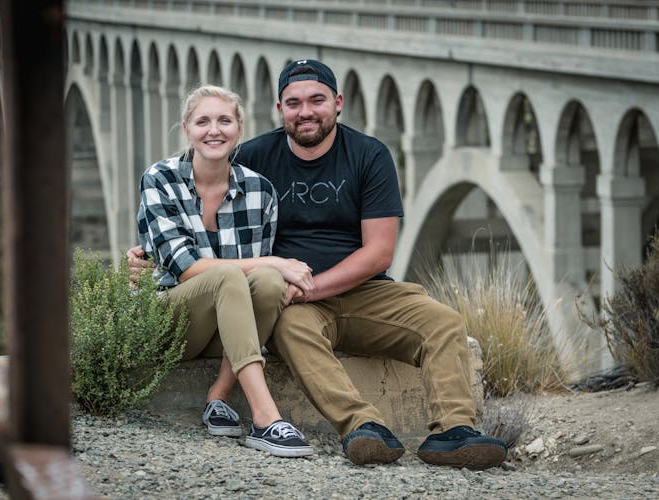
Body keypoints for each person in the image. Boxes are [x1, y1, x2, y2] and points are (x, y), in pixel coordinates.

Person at [130, 61, 507, 469]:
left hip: (362, 290)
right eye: (294, 103)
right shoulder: (254, 158)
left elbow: (379, 252)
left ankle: (454, 432)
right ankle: (363, 428)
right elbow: (205, 206)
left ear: (337, 103)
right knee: (292, 332)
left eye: (317, 100)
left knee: (443, 321)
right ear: (279, 108)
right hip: (297, 305)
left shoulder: (369, 154)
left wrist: (311, 285)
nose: (305, 111)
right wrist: (146, 249)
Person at [136, 84, 315, 458]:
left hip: (226, 329)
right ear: (187, 129)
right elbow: (187, 270)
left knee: (266, 282)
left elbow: (255, 285)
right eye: (202, 121)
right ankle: (266, 420)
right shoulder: (160, 180)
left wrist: (270, 268)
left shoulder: (260, 192)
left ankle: (218, 396)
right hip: (172, 324)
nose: (213, 130)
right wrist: (275, 262)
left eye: (224, 120)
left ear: (239, 128)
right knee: (244, 273)